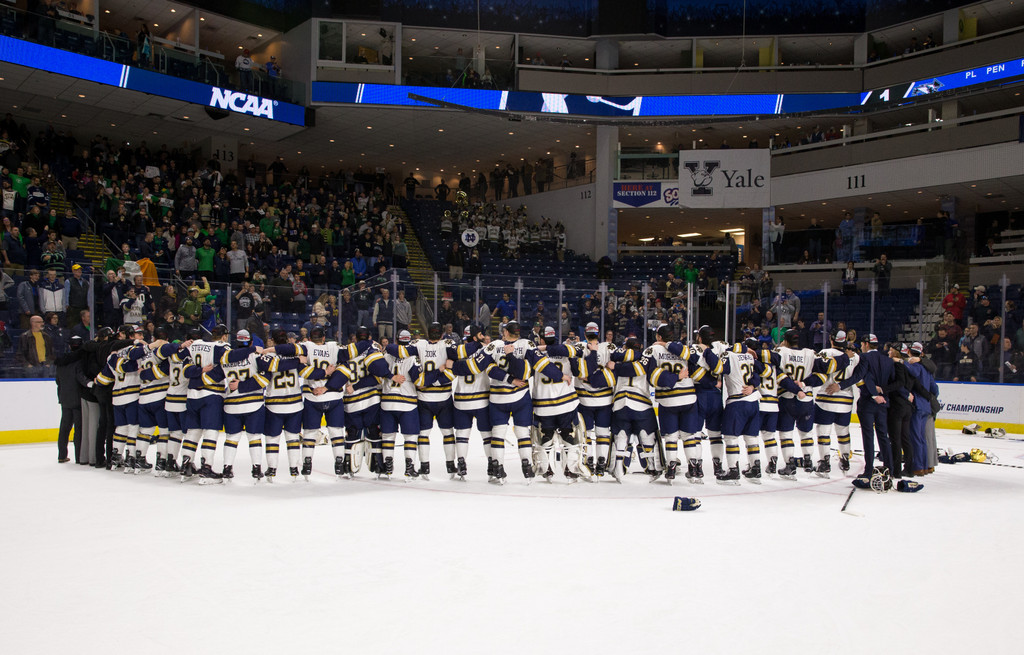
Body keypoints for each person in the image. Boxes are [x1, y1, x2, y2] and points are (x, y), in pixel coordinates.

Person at [54, 336, 84, 463]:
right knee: (78, 428)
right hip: (77, 398)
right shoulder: (80, 361)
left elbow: (58, 380)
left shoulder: (61, 363)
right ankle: (79, 456)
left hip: (65, 397)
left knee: (65, 427)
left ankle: (62, 455)